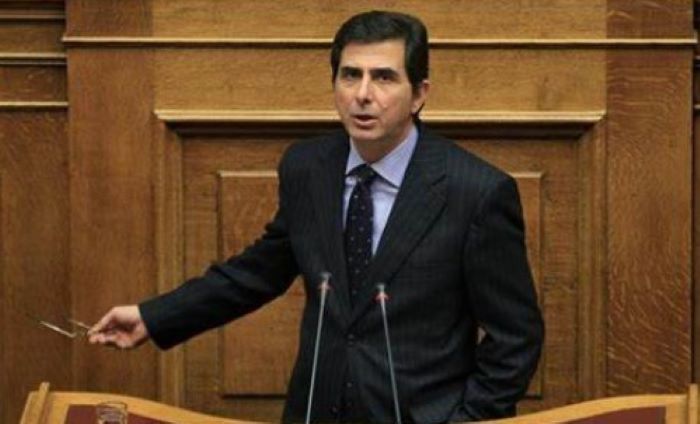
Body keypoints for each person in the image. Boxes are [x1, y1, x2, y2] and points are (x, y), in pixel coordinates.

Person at [89, 10, 543, 423]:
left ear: (419, 95)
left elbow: (516, 338)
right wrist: (155, 317)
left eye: (384, 78)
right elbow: (258, 273)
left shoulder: (476, 192)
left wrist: (466, 419)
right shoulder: (308, 169)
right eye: (350, 75)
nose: (363, 95)